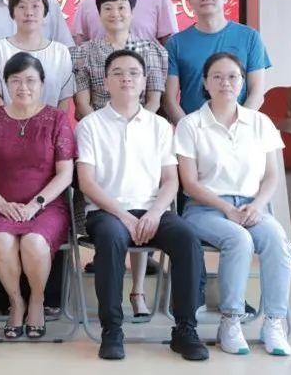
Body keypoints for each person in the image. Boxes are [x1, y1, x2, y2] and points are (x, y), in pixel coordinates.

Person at [76, 50, 207, 361]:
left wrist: (155, 212)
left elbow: (170, 181)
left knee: (187, 238)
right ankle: (112, 330)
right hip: (106, 212)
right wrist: (123, 215)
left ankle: (185, 329)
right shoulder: (90, 125)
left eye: (133, 73)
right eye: (118, 73)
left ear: (145, 80)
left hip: (152, 210)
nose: (126, 78)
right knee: (111, 238)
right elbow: (87, 183)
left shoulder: (159, 126)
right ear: (105, 81)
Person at [176, 52, 291, 356]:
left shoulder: (260, 123)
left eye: (232, 77)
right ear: (205, 82)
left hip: (252, 207)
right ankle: (231, 320)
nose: (225, 83)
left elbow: (271, 176)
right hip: (205, 209)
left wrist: (258, 205)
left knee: (277, 240)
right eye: (217, 76)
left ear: (242, 82)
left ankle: (274, 322)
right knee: (238, 239)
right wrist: (227, 209)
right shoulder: (191, 124)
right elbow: (189, 184)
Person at [71, 0, 169, 315]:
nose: (116, 13)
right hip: (99, 136)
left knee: (143, 201)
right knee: (112, 217)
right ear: (98, 13)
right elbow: (82, 102)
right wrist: (104, 126)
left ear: (132, 11)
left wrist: (136, 124)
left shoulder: (152, 50)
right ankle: (111, 299)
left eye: (122, 7)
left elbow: (154, 99)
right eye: (108, 8)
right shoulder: (84, 52)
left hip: (142, 133)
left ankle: (138, 290)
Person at [0, 53, 74, 340]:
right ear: (6, 84)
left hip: (46, 207)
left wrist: (35, 205)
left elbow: (65, 175)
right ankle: (16, 302)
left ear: (42, 83)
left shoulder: (56, 119)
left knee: (34, 243)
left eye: (30, 80)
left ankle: (37, 301)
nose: (23, 87)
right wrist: (1, 204)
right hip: (2, 206)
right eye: (15, 80)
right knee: (2, 242)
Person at [164, 0, 271, 124]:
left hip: (238, 130)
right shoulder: (175, 43)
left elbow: (257, 92)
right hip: (194, 129)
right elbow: (169, 100)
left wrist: (239, 126)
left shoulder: (250, 37)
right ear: (190, 0)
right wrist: (189, 129)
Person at [0, 0, 74, 111]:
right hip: (7, 122)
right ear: (12, 13)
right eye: (22, 7)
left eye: (35, 6)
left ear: (45, 11)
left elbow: (64, 99)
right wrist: (12, 120)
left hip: (51, 124)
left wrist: (53, 123)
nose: (29, 12)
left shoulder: (61, 52)